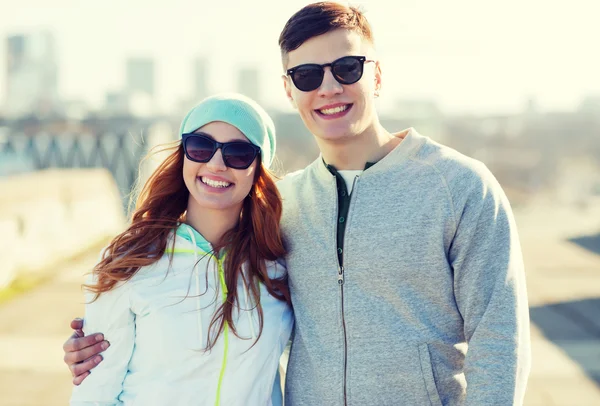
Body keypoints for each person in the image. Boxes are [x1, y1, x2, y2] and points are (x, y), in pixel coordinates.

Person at [64, 2, 531, 405]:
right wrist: (96, 344)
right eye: (307, 75)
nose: (328, 88)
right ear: (289, 90)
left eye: (347, 68)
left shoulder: (460, 187)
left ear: (378, 74)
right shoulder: (281, 209)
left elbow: (500, 340)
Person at [68, 93, 294, 406]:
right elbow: (94, 394)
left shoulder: (278, 265)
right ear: (183, 155)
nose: (216, 164)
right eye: (201, 146)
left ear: (257, 170)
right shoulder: (130, 259)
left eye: (238, 153)